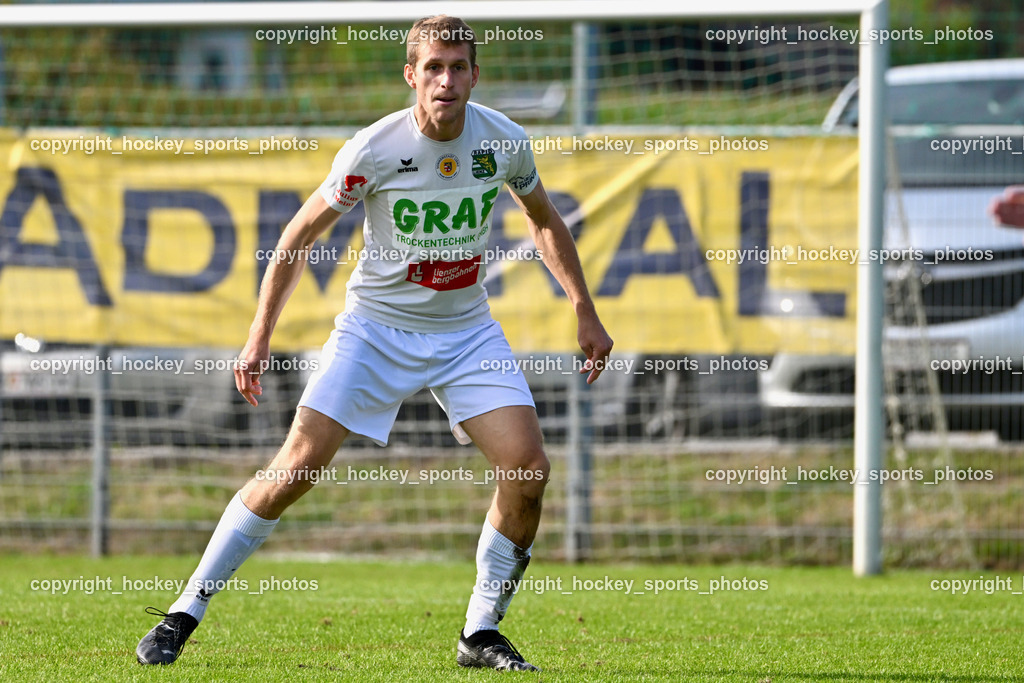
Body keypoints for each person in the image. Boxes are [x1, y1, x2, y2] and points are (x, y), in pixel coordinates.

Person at [135, 14, 613, 673]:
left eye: (458, 66)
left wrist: (584, 309)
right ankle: (181, 613)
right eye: (433, 67)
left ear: (476, 74)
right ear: (411, 75)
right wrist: (258, 336)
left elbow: (544, 221)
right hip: (375, 329)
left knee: (528, 469)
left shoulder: (503, 142)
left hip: (465, 329)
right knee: (294, 468)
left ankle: (480, 632)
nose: (446, 79)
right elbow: (298, 236)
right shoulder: (375, 149)